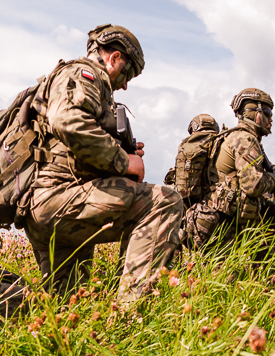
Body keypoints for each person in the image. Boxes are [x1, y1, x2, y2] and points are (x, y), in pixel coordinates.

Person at [22, 24, 184, 300]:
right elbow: (67, 121)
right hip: (60, 198)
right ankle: (130, 316)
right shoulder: (86, 74)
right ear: (115, 58)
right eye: (128, 73)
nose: (125, 84)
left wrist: (120, 151)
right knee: (165, 201)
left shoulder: (65, 81)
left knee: (68, 304)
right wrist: (124, 162)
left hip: (47, 205)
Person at [187, 87, 275, 250]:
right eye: (268, 113)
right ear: (255, 113)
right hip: (224, 224)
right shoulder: (244, 138)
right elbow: (253, 184)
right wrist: (274, 181)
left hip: (217, 220)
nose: (271, 119)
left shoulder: (235, 136)